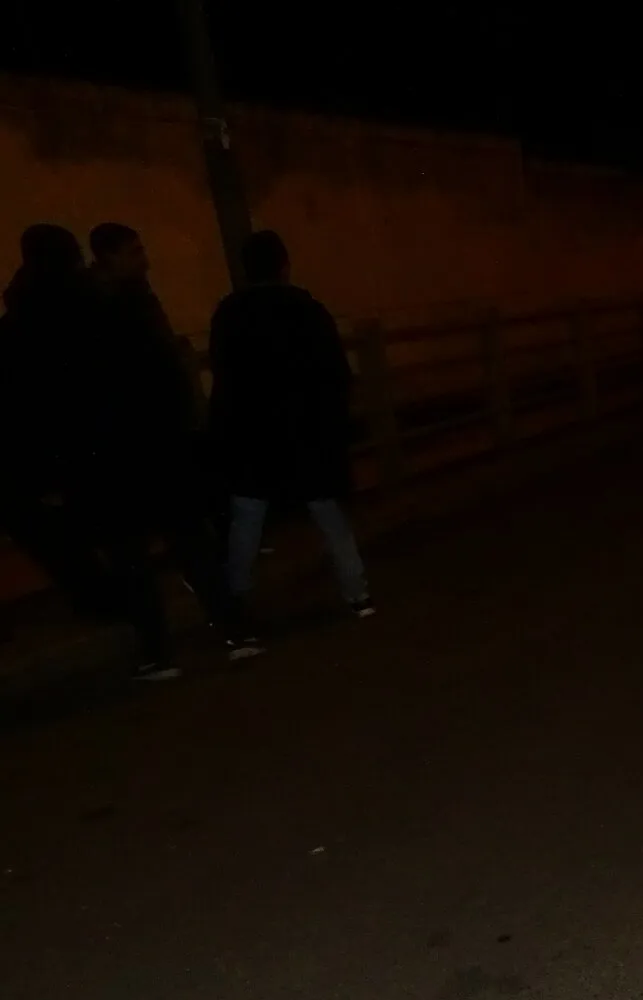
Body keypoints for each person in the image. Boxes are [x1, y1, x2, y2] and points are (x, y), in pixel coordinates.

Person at [81, 222, 255, 676]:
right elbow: (156, 372)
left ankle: (173, 646)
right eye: (134, 251)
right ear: (110, 256)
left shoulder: (123, 299)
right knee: (176, 544)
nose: (145, 259)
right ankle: (222, 630)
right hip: (142, 445)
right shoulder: (117, 305)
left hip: (137, 447)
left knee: (155, 550)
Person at [209, 230, 371, 621]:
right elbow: (335, 373)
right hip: (306, 431)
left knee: (248, 516)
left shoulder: (230, 314)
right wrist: (336, 424)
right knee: (329, 514)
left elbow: (225, 377)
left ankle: (237, 597)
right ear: (284, 265)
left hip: (253, 433)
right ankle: (357, 593)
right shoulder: (308, 310)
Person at [0, 225, 120, 630]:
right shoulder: (92, 303)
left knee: (53, 531)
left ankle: (98, 596)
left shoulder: (19, 315)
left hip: (46, 445)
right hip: (95, 434)